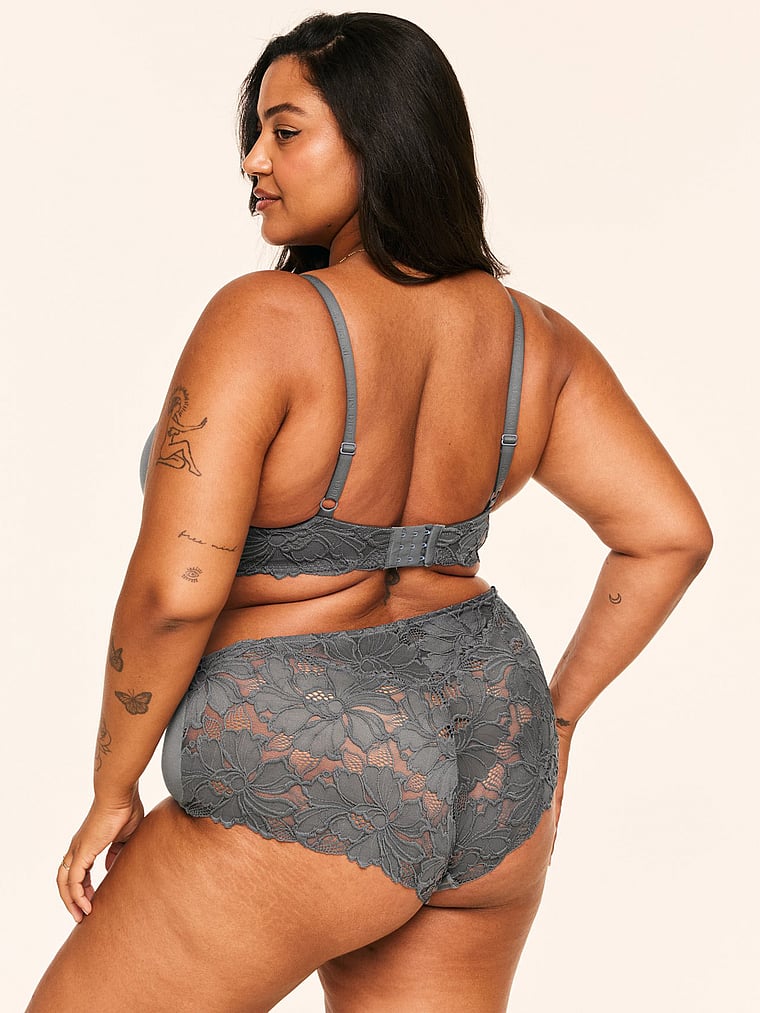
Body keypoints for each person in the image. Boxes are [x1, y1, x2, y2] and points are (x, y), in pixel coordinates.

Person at [28, 12, 712, 1012]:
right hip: (496, 750)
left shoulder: (263, 318)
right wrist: (557, 717)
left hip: (308, 765)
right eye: (255, 134)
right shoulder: (535, 339)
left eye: (285, 131)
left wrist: (111, 789)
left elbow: (177, 591)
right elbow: (669, 535)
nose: (254, 160)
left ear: (378, 139)